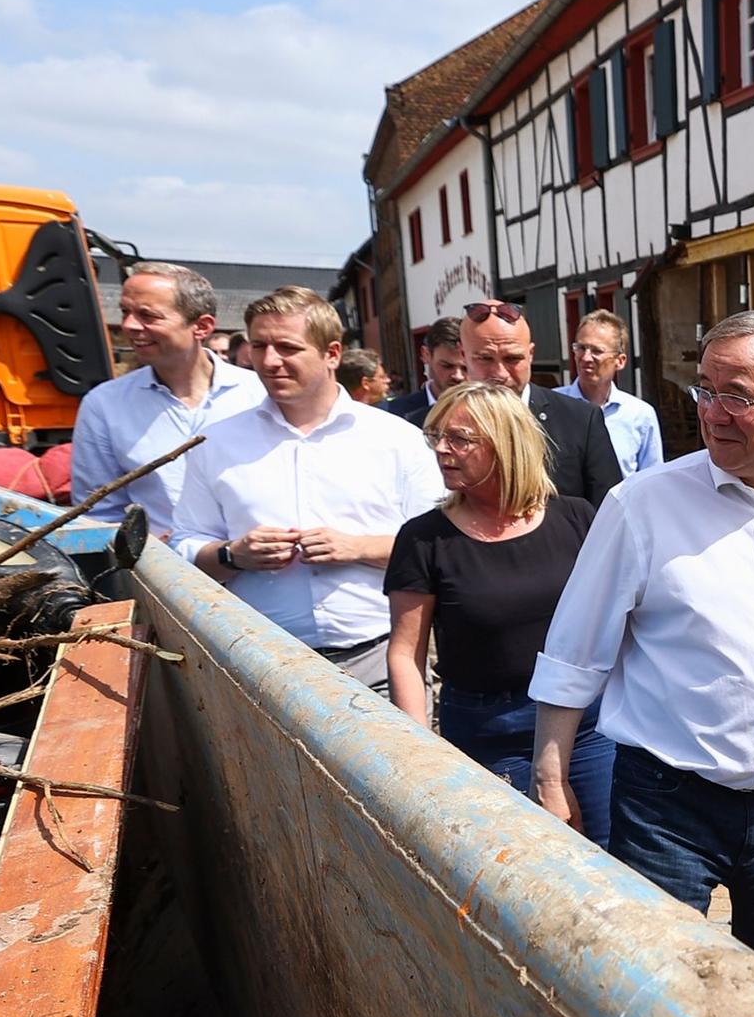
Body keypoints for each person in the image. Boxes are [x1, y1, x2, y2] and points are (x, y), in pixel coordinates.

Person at [529, 310, 754, 985]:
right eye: (705, 390)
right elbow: (576, 650)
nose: (713, 413)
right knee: (648, 986)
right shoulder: (640, 506)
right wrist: (551, 777)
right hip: (666, 802)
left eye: (738, 395)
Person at [174, 286, 444, 694]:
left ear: (332, 353)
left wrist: (358, 548)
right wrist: (234, 555)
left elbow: (441, 547)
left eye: (286, 347)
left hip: (382, 661)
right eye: (259, 346)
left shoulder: (397, 440)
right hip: (262, 665)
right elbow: (183, 549)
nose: (269, 361)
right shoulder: (216, 444)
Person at [386, 382, 615, 845]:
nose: (442, 451)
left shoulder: (576, 518)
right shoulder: (423, 539)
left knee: (612, 860)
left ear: (507, 443)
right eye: (436, 437)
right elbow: (406, 653)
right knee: (524, 863)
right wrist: (419, 757)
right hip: (488, 729)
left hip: (587, 724)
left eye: (459, 439)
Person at [72, 261, 263, 538]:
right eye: (126, 312)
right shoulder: (104, 405)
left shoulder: (259, 394)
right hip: (163, 575)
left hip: (265, 571)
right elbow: (96, 515)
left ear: (202, 326)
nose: (129, 326)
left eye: (148, 316)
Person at [457, 301, 622, 505]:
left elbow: (610, 514)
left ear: (531, 354)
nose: (499, 373)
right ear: (463, 355)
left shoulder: (580, 421)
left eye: (512, 359)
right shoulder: (434, 430)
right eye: (485, 359)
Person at [555, 310, 664, 475]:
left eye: (596, 351)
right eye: (581, 348)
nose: (585, 358)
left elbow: (652, 479)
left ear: (620, 361)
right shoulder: (552, 405)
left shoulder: (640, 415)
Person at [388, 317, 466, 425]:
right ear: (426, 355)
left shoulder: (488, 411)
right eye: (447, 366)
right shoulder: (395, 414)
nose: (458, 376)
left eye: (465, 368)